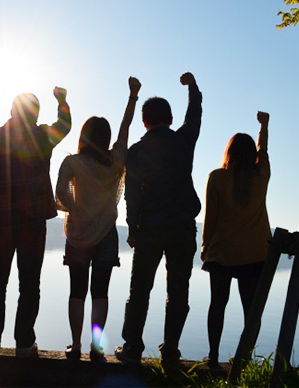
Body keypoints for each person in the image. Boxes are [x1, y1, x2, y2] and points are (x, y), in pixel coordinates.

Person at [115, 72, 202, 367]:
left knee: (139, 290)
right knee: (178, 291)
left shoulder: (137, 151)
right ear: (170, 117)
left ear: (144, 122)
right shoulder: (184, 141)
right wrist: (192, 87)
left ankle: (132, 348)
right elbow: (194, 114)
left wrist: (132, 226)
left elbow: (132, 195)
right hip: (182, 228)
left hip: (149, 228)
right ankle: (170, 352)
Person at [0, 87, 71, 358]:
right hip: (32, 220)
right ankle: (24, 344)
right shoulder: (42, 136)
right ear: (36, 114)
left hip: (2, 219)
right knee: (29, 282)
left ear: (11, 111)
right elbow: (64, 125)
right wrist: (62, 100)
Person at [57, 77, 141, 362]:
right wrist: (132, 97)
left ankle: (75, 346)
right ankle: (96, 349)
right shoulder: (116, 161)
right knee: (100, 292)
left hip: (78, 234)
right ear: (105, 140)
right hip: (107, 234)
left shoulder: (72, 163)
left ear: (83, 136)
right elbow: (125, 129)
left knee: (77, 291)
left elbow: (59, 193)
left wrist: (75, 209)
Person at [201, 112, 271, 369]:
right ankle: (244, 359)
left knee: (217, 305)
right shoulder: (261, 175)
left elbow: (211, 218)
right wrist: (264, 126)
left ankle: (213, 356)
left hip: (222, 254)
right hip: (255, 254)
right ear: (251, 155)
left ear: (228, 152)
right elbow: (263, 150)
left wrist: (205, 247)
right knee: (250, 312)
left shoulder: (217, 178)